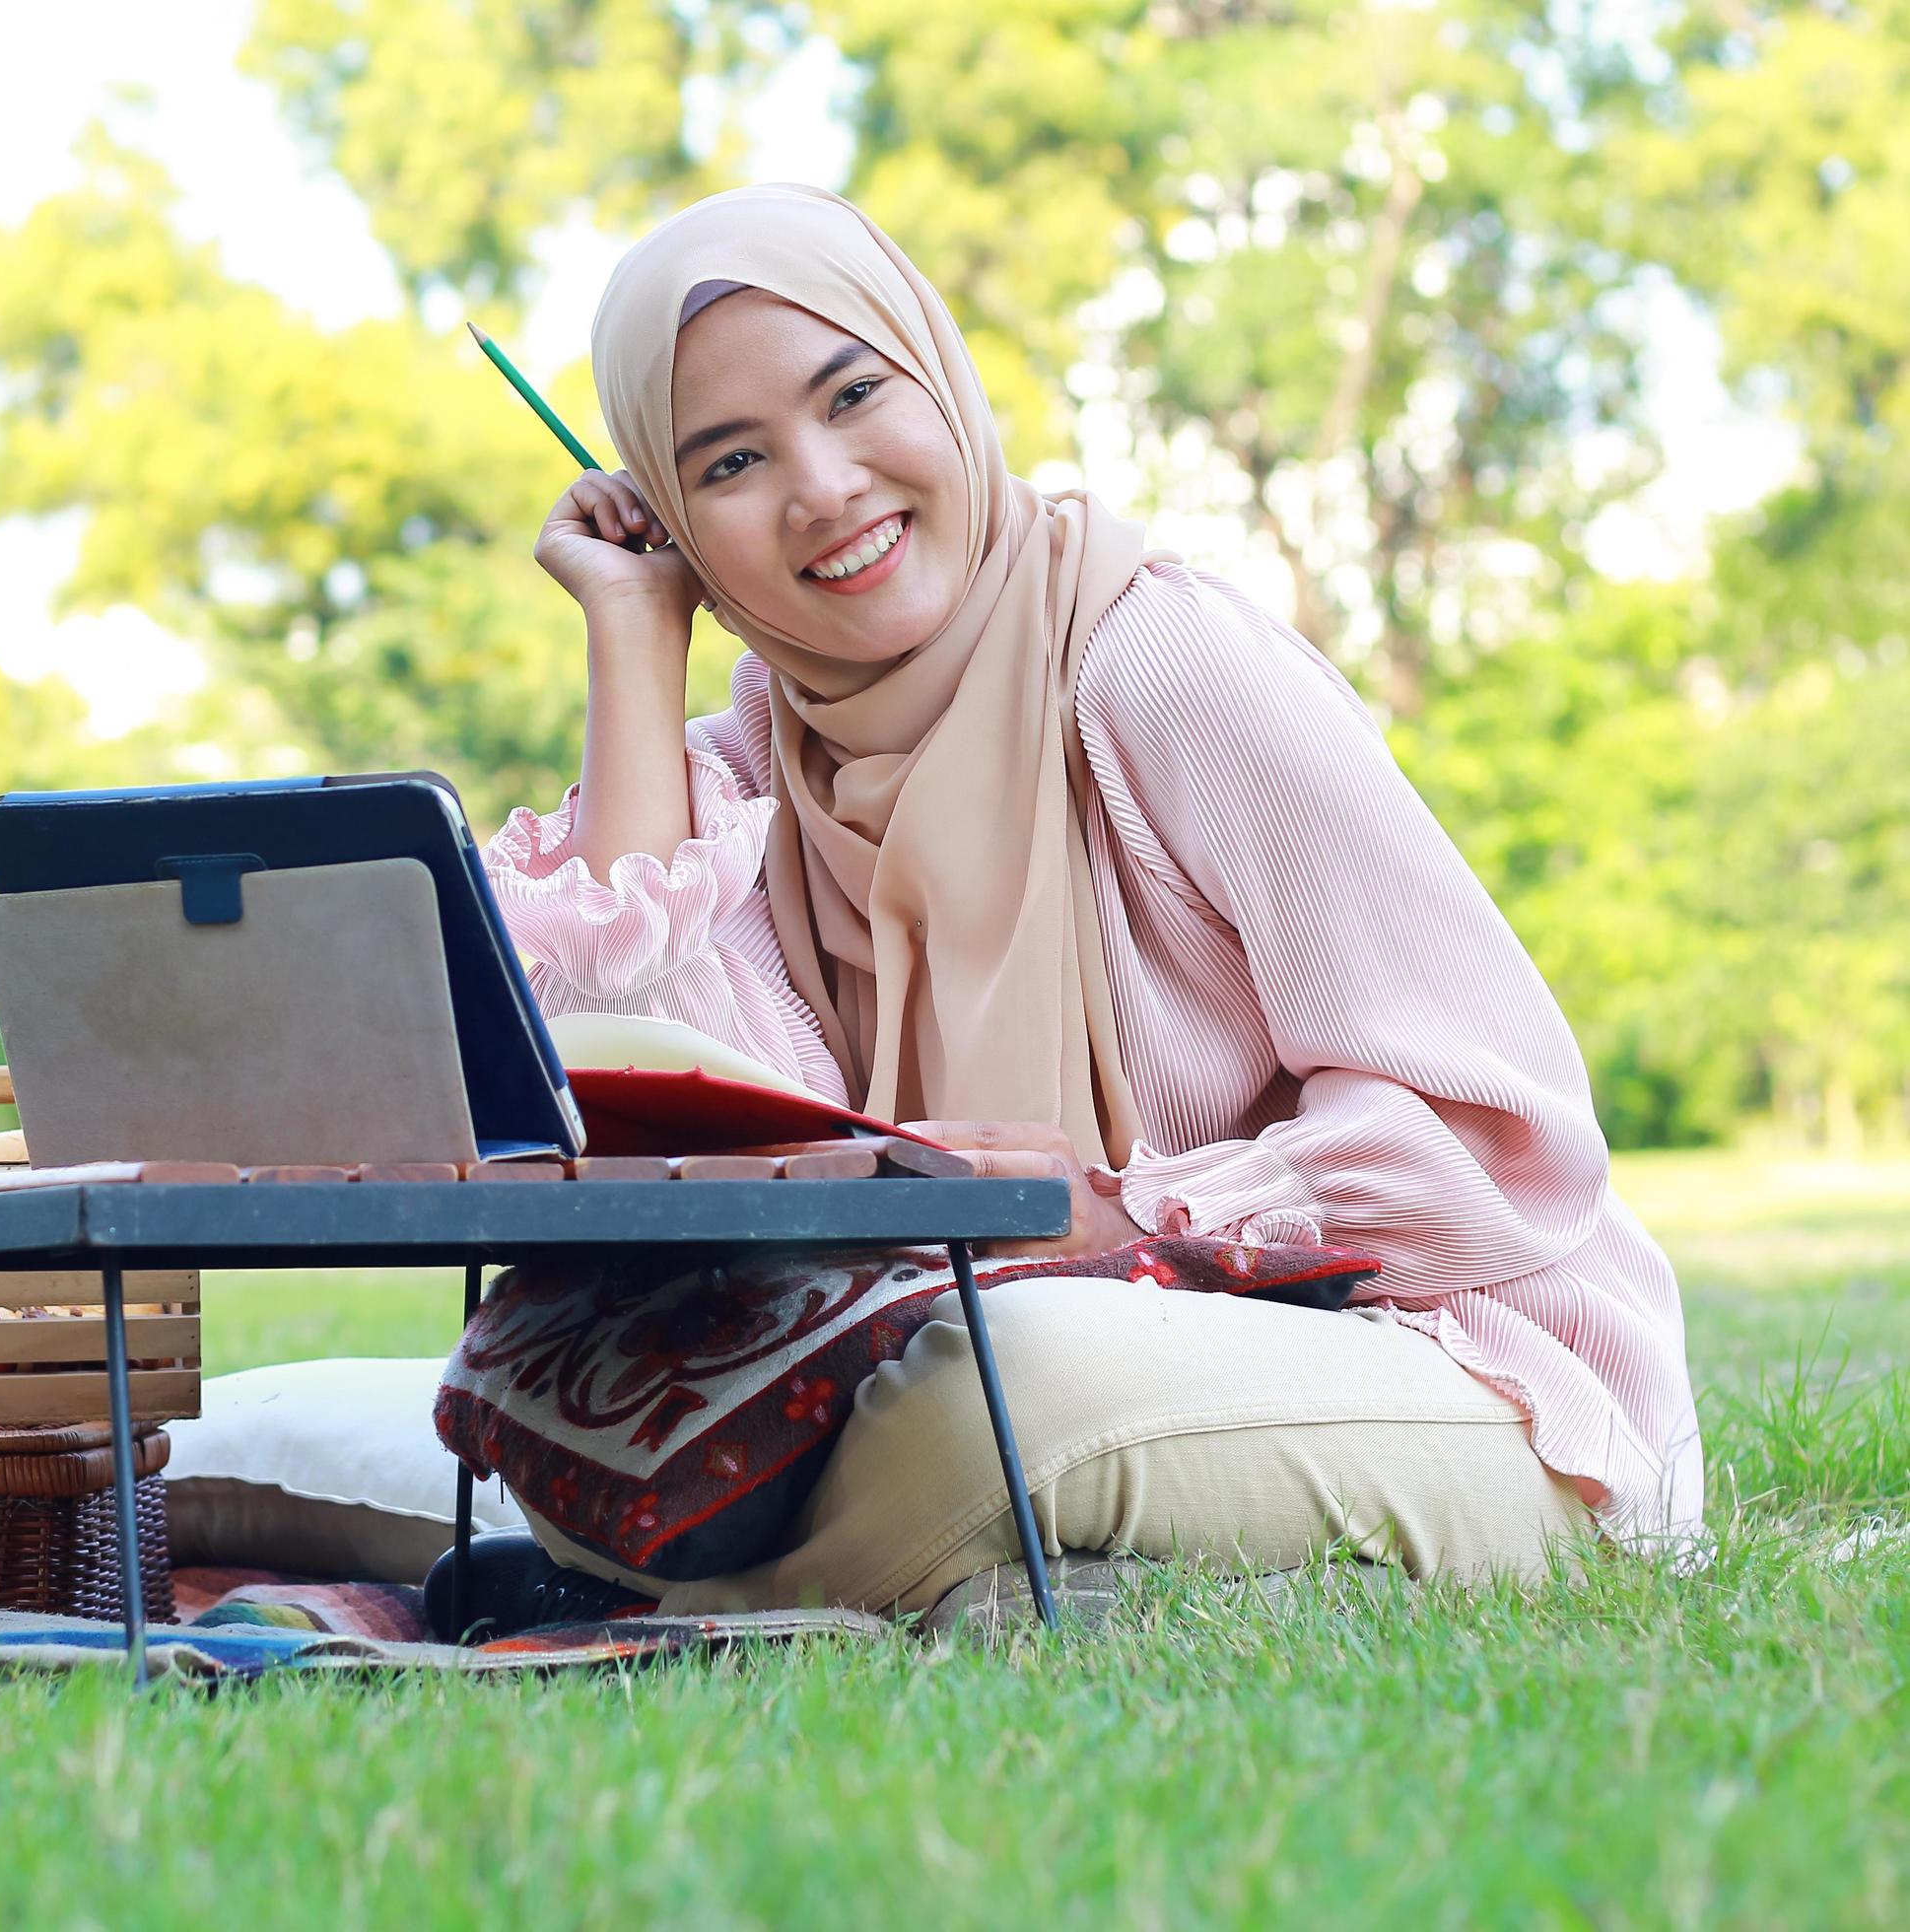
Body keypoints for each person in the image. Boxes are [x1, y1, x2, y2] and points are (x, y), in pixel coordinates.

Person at [472, 183, 1703, 1622]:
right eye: (731, 464)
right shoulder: (740, 780)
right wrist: (633, 637)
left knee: (1002, 1396)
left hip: (1455, 1361)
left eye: (855, 392)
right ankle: (996, 1587)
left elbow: (1496, 1142)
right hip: (973, 1354)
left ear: (939, 375)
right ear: (675, 517)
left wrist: (1114, 1214)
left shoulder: (1157, 666)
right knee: (628, 1398)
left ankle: (738, 1595)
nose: (820, 486)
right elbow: (649, 1140)